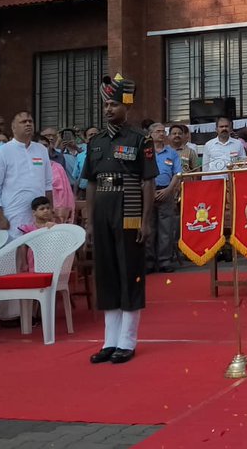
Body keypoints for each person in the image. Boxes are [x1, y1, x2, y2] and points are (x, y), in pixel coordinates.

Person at [84, 74, 157, 365]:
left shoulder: (140, 139)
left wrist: (145, 220)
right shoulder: (96, 142)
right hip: (102, 210)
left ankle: (127, 341)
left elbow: (148, 182)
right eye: (105, 105)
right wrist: (90, 222)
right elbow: (90, 182)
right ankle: (109, 341)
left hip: (129, 210)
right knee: (106, 274)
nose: (108, 109)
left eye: (113, 104)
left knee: (129, 271)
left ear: (127, 106)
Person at [0, 112, 54, 238]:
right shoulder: (2, 152)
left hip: (39, 215)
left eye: (30, 121)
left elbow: (48, 184)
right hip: (13, 214)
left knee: (37, 247)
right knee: (15, 248)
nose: (28, 124)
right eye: (23, 122)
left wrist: (50, 211)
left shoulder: (41, 150)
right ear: (13, 128)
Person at [147, 123, 181, 274]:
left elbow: (178, 174)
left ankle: (165, 261)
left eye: (163, 131)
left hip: (166, 192)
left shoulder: (172, 153)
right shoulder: (145, 152)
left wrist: (168, 190)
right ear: (150, 134)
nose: (161, 133)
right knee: (149, 227)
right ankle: (149, 261)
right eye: (158, 131)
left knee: (166, 228)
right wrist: (149, 190)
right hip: (148, 193)